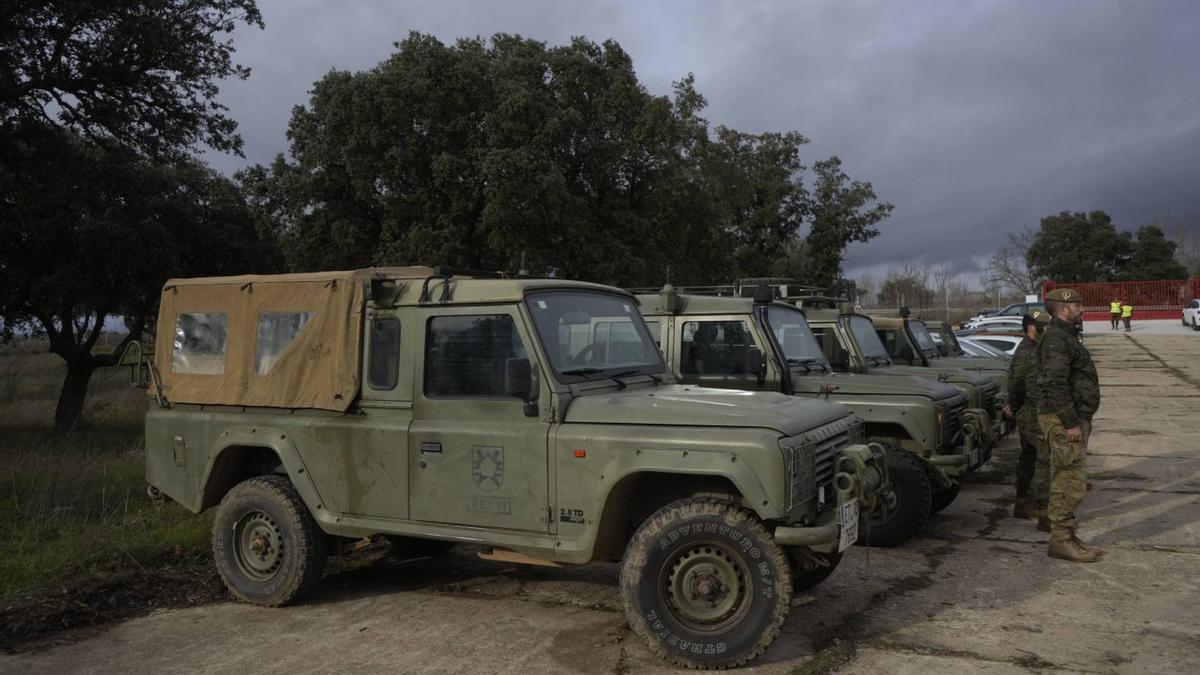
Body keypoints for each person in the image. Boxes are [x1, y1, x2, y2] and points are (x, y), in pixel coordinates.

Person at [1037, 288, 1103, 562]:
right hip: (1063, 419)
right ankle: (1061, 541)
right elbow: (1055, 383)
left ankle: (1068, 536)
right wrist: (1071, 422)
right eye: (1078, 306)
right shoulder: (1056, 339)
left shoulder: (1065, 336)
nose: (1082, 310)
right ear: (1064, 309)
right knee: (1069, 480)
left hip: (1070, 418)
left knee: (1070, 477)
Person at [1004, 309, 1052, 526]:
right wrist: (1013, 406)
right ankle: (1044, 513)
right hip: (1031, 412)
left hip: (1032, 410)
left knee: (1031, 458)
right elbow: (1017, 384)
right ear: (1032, 327)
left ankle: (1024, 505)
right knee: (1043, 459)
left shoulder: (1036, 348)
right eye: (1043, 325)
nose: (1047, 328)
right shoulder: (1027, 351)